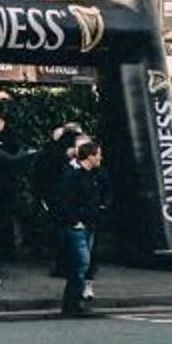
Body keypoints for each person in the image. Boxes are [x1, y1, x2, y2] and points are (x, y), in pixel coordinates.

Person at [47, 135, 106, 316]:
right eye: (98, 155)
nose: (100, 158)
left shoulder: (89, 175)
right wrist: (75, 221)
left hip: (87, 223)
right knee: (81, 263)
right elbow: (62, 200)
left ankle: (74, 302)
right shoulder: (73, 175)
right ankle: (72, 304)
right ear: (90, 156)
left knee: (81, 265)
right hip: (77, 226)